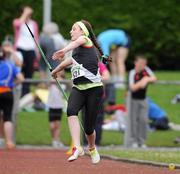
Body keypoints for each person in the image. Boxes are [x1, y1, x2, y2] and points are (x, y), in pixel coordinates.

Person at [51, 20, 110, 164]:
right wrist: (56, 71)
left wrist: (63, 50)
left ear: (83, 32)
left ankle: (91, 147)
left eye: (74, 29)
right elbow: (70, 61)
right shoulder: (76, 50)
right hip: (78, 88)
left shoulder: (85, 39)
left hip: (94, 89)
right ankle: (77, 147)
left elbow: (74, 45)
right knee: (71, 110)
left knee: (89, 128)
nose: (71, 32)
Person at [126, 55, 157, 148]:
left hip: (143, 99)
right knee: (133, 121)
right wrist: (141, 83)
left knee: (143, 120)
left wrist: (146, 79)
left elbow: (154, 79)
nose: (142, 65)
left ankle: (142, 141)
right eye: (140, 63)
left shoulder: (146, 70)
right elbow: (133, 88)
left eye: (144, 63)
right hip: (132, 99)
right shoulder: (132, 72)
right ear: (135, 63)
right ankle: (134, 141)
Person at [0, 46, 24, 149]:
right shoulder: (10, 65)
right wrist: (12, 85)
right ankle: (9, 142)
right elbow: (21, 78)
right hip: (7, 91)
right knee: (7, 117)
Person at [13, 5, 39, 96]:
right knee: (19, 71)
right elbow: (17, 24)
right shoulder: (17, 21)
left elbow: (36, 37)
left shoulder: (34, 23)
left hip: (31, 50)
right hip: (20, 49)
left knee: (29, 72)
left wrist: (37, 51)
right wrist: (25, 13)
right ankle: (17, 93)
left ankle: (25, 93)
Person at [82, 62, 111, 146]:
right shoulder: (82, 64)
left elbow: (107, 77)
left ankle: (97, 141)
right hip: (86, 96)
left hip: (98, 97)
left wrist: (95, 78)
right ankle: (86, 142)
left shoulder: (99, 65)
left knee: (98, 119)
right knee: (86, 119)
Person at [47, 71, 65, 148]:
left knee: (57, 124)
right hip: (51, 106)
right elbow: (48, 83)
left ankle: (57, 140)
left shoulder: (63, 83)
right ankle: (54, 139)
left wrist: (58, 79)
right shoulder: (52, 81)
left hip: (59, 106)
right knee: (51, 126)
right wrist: (54, 77)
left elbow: (61, 86)